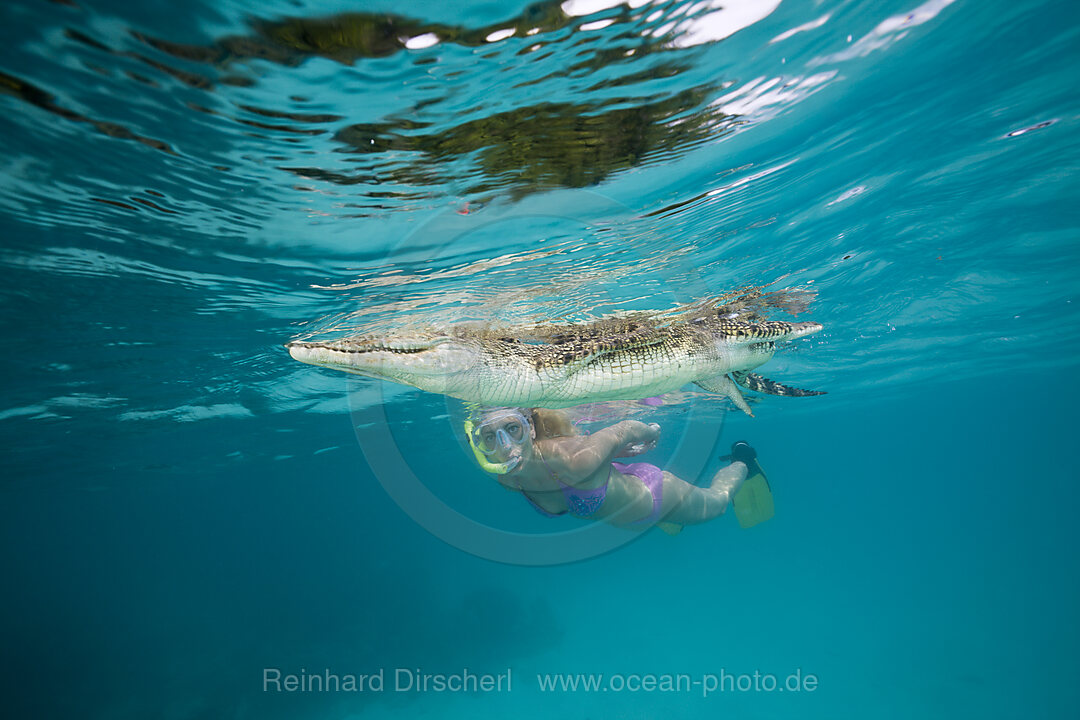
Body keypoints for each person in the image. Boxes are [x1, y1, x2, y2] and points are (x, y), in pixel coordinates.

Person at [464, 407, 762, 533]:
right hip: (621, 503)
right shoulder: (508, 478)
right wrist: (612, 456)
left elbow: (623, 430)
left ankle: (743, 461)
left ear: (529, 429)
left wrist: (651, 433)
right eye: (489, 436)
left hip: (657, 496)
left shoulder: (574, 459)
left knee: (719, 503)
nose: (503, 447)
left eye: (512, 429)